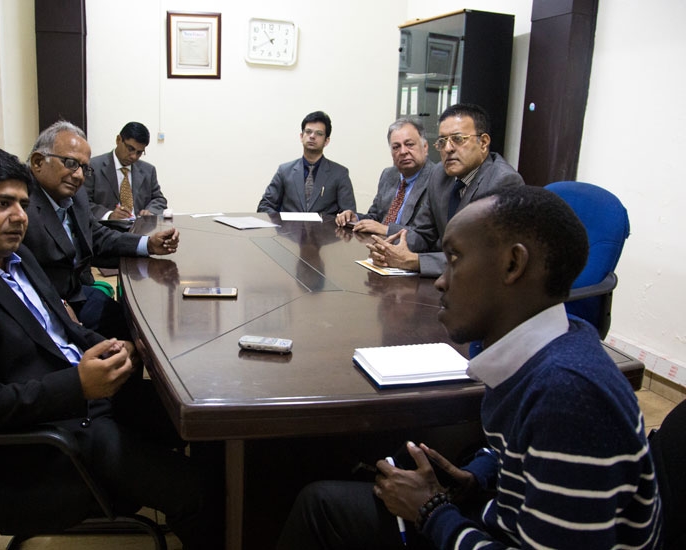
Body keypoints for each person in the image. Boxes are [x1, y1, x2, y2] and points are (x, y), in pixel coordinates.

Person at [277, 186, 661, 550]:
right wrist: (477, 476)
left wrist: (431, 512)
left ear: (513, 264)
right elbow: (518, 455)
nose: (441, 281)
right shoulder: (548, 344)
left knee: (319, 507)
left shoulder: (569, 395)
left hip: (497, 532)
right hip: (497, 515)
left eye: (455, 259)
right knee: (326, 494)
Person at [0, 147, 223, 549]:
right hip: (48, 439)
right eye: (2, 204)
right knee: (197, 491)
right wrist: (77, 385)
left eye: (23, 204)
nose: (19, 216)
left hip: (87, 403)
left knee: (211, 422)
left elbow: (65, 329)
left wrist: (111, 346)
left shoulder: (16, 256)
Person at [24, 120, 179, 340]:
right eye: (70, 163)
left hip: (78, 291)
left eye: (83, 168)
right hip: (44, 306)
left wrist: (148, 243)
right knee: (126, 337)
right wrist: (59, 305)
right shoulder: (21, 207)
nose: (79, 175)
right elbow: (18, 273)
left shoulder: (74, 195)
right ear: (38, 162)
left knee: (136, 325)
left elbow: (97, 235)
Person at [367, 103, 523, 277]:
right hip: (445, 278)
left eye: (458, 139)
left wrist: (414, 261)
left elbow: (482, 256)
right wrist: (388, 249)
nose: (448, 148)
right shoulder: (439, 174)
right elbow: (423, 234)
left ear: (484, 142)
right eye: (442, 141)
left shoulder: (503, 182)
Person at [335, 117, 435, 236]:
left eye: (409, 144)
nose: (403, 151)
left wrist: (386, 230)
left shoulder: (436, 179)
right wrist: (355, 218)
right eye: (396, 147)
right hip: (377, 243)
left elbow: (426, 234)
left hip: (408, 246)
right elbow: (376, 217)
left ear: (425, 147)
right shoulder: (388, 175)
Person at [258, 111, 356, 215]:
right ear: (301, 136)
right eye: (308, 132)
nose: (312, 136)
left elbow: (349, 214)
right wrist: (281, 221)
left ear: (326, 141)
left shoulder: (340, 173)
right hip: (289, 226)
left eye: (319, 133)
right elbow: (264, 206)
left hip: (325, 226)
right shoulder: (284, 171)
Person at [85, 121, 168, 220]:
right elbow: (84, 202)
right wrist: (109, 215)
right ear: (118, 140)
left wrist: (150, 211)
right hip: (106, 227)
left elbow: (159, 199)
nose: (134, 156)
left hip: (139, 226)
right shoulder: (93, 167)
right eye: (130, 149)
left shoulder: (148, 171)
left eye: (139, 152)